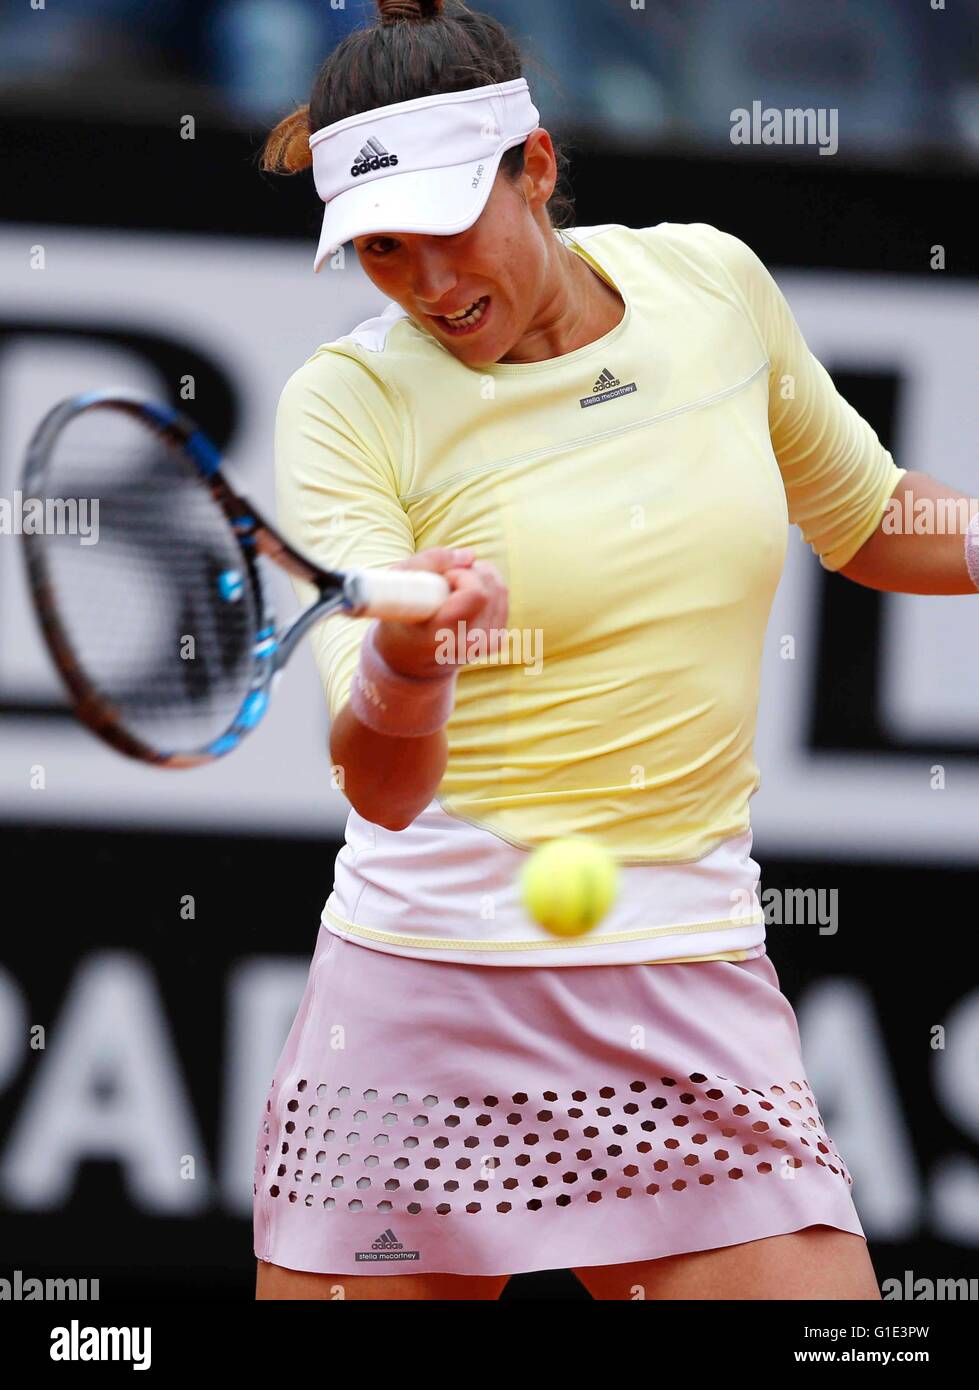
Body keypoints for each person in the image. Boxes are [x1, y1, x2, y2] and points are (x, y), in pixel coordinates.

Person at [252, 0, 979, 1301]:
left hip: (688, 975)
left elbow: (872, 519)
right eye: (380, 250)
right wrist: (416, 667)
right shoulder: (348, 404)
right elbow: (382, 782)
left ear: (535, 164)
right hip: (426, 1000)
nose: (427, 285)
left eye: (447, 230)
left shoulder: (710, 284)